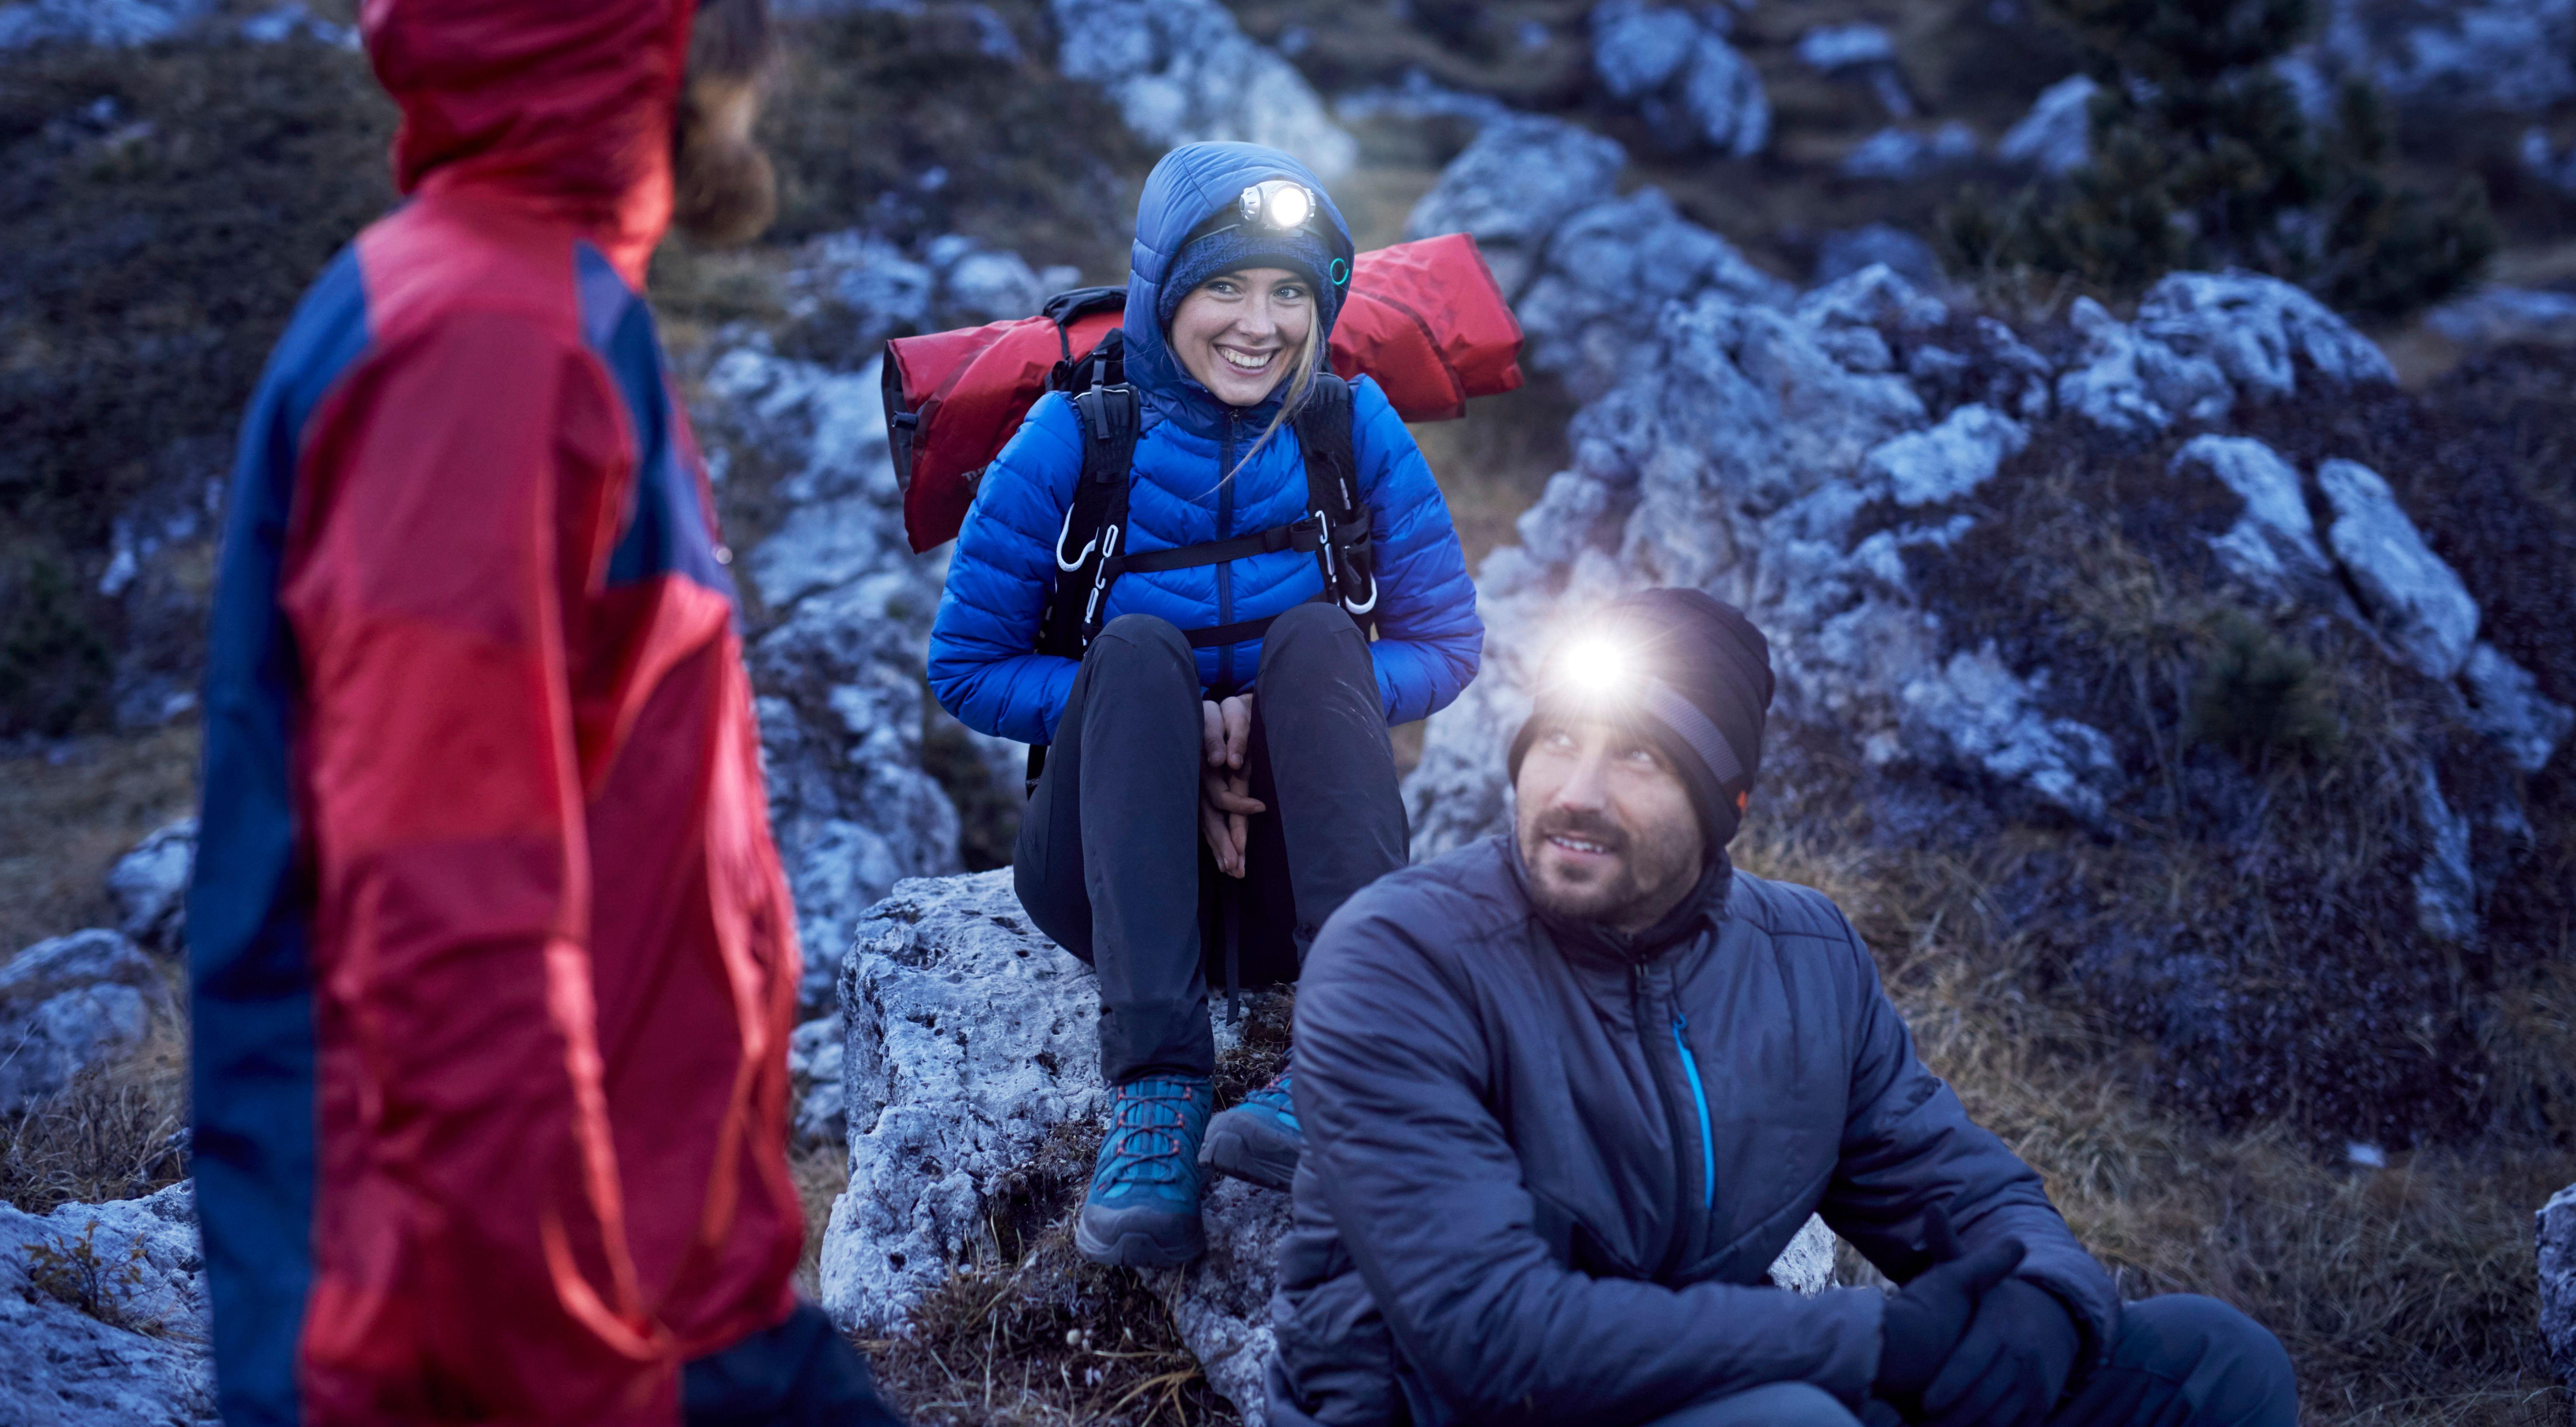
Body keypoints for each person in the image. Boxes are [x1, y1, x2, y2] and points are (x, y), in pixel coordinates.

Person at [191, 0, 897, 1427]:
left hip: (658, 1300)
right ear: (654, 27)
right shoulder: (485, 349)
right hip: (526, 1346)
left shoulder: (526, 310)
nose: (771, 57)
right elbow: (447, 939)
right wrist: (587, 1375)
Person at [1270, 588, 2298, 1427]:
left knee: (2213, 1361)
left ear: (1730, 805)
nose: (1576, 790)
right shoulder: (1404, 956)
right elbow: (1493, 1335)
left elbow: (1960, 1180)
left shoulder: (1806, 956)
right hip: (1470, 1406)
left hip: (1721, 1380)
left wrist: (2045, 1301)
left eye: (1639, 755)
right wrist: (1876, 1342)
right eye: (1558, 740)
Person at [927, 141, 1483, 1269]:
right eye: (1224, 286)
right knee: (1134, 653)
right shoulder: (1077, 440)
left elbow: (1448, 645)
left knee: (1323, 637)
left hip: (1289, 879)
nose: (1259, 323)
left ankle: (1345, 1053)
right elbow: (967, 667)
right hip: (1107, 877)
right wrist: (1181, 721)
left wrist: (1268, 710)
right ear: (1163, 292)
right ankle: (1157, 1096)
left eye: (1289, 291)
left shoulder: (1347, 428)